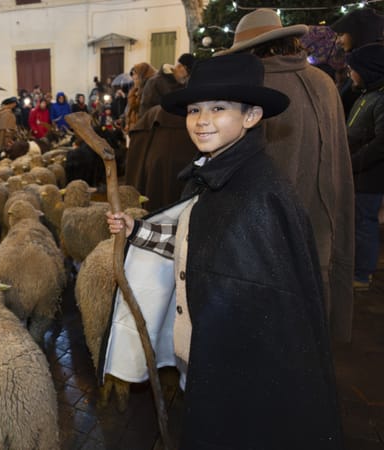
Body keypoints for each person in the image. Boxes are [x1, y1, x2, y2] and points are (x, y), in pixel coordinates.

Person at [104, 54, 341, 449]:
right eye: (195, 109)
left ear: (251, 117)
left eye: (218, 108)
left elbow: (265, 304)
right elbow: (196, 243)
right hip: (205, 358)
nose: (202, 120)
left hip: (237, 372)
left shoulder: (259, 195)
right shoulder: (215, 176)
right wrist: (137, 230)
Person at [217, 8, 355, 341]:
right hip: (323, 213)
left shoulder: (250, 86)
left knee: (267, 315)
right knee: (311, 301)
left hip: (265, 220)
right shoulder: (323, 81)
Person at [345, 45, 384, 290]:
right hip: (360, 170)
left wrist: (356, 160)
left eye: (353, 69)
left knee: (364, 222)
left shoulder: (380, 98)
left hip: (369, 173)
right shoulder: (367, 93)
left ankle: (362, 274)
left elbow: (382, 142)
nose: (349, 73)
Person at [331, 7, 384, 116]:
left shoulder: (372, 71)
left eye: (341, 35)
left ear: (358, 33)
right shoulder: (357, 64)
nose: (337, 41)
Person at [124, 63, 156, 131]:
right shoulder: (138, 89)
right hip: (134, 128)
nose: (133, 77)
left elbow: (135, 106)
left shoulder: (147, 90)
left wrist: (132, 92)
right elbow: (129, 109)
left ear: (142, 75)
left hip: (140, 129)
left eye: (135, 73)